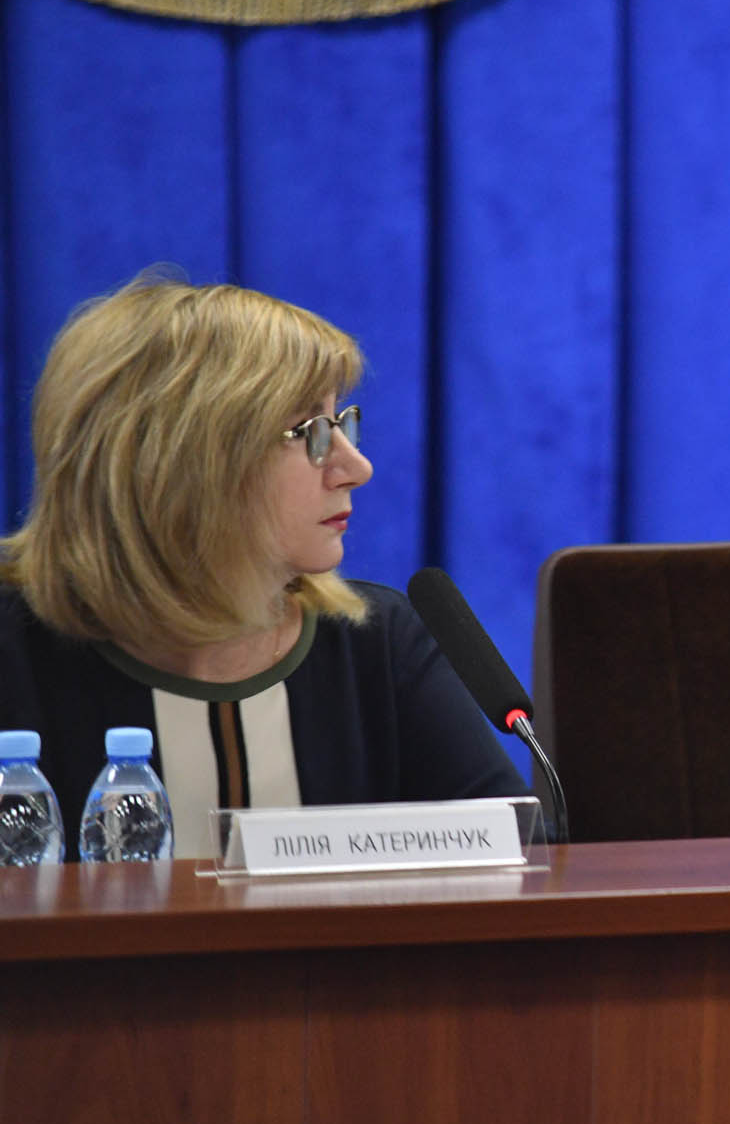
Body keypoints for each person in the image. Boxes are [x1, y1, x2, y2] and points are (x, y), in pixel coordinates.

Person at [0, 272, 527, 859]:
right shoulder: (14, 653)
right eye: (313, 433)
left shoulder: (374, 645)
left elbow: (519, 866)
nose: (357, 468)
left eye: (343, 423)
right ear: (182, 460)